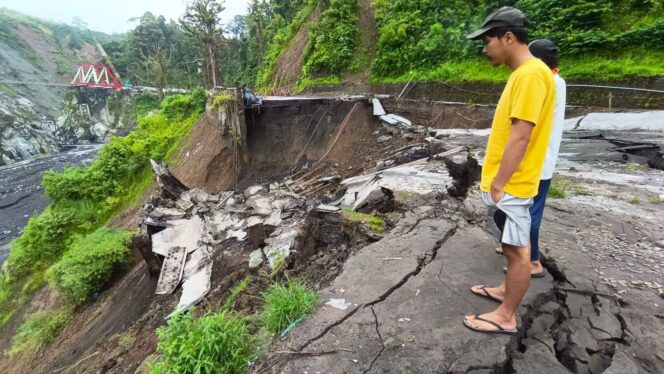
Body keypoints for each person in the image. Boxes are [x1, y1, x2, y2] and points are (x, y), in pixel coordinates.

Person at [463, 7, 556, 335]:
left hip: (514, 184)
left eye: (487, 41)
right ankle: (505, 292)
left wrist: (500, 182)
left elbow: (521, 134)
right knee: (512, 245)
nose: (485, 49)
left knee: (519, 253)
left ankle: (505, 317)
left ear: (508, 37)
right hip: (511, 183)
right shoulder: (525, 73)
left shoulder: (531, 75)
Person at [495, 39, 567, 278]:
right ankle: (514, 248)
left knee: (527, 214)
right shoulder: (551, 81)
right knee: (509, 210)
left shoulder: (545, 82)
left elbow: (524, 130)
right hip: (534, 159)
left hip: (537, 162)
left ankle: (532, 261)